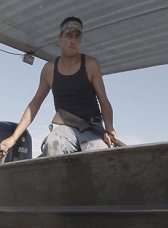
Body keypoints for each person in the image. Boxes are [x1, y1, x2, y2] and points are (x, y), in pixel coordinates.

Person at [0, 16, 117, 159]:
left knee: (99, 157)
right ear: (60, 39)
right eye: (69, 35)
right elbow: (34, 104)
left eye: (77, 37)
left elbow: (104, 101)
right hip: (65, 128)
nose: (73, 41)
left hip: (92, 129)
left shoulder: (91, 65)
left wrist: (109, 128)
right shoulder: (49, 70)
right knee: (52, 144)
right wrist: (13, 138)